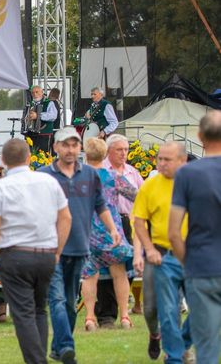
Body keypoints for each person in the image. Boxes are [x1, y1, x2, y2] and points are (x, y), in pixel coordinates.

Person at [0, 138, 72, 364]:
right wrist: (58, 249)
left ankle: (36, 361)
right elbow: (65, 218)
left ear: (3, 160)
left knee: (23, 313)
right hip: (46, 252)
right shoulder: (49, 182)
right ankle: (38, 357)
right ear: (29, 158)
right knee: (39, 310)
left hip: (15, 252)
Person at [40, 127, 114, 364]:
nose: (70, 150)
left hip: (80, 245)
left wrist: (112, 229)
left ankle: (58, 348)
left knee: (70, 303)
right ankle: (67, 348)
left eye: (74, 145)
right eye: (65, 145)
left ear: (80, 147)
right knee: (57, 299)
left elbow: (100, 204)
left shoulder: (90, 174)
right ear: (56, 147)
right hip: (51, 248)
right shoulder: (44, 176)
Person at [134, 142, 194, 363]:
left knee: (200, 308)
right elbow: (139, 221)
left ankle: (180, 347)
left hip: (192, 254)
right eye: (159, 159)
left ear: (182, 161)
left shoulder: (194, 184)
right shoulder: (150, 186)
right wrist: (148, 250)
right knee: (155, 308)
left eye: (167, 160)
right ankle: (156, 336)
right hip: (160, 255)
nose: (161, 163)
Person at [169, 111, 221, 364]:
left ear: (199, 137)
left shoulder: (188, 174)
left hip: (201, 266)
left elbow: (173, 231)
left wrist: (188, 262)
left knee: (206, 347)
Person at [81, 138, 134, 332]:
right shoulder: (113, 177)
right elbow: (135, 195)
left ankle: (89, 317)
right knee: (119, 273)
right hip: (112, 231)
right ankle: (125, 316)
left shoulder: (78, 177)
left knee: (89, 275)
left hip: (88, 231)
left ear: (86, 154)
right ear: (105, 154)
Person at [101, 134, 143, 325]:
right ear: (108, 151)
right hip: (106, 222)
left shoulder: (132, 172)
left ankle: (123, 308)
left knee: (128, 267)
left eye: (126, 149)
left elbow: (142, 197)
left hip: (127, 222)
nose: (124, 153)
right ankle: (107, 315)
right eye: (119, 149)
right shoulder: (101, 170)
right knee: (105, 268)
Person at [21, 85, 58, 152]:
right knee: (30, 154)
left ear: (42, 92)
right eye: (33, 93)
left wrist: (38, 116)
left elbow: (53, 116)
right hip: (30, 134)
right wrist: (25, 120)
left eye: (37, 92)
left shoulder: (49, 103)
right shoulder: (29, 104)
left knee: (43, 155)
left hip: (44, 134)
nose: (35, 94)